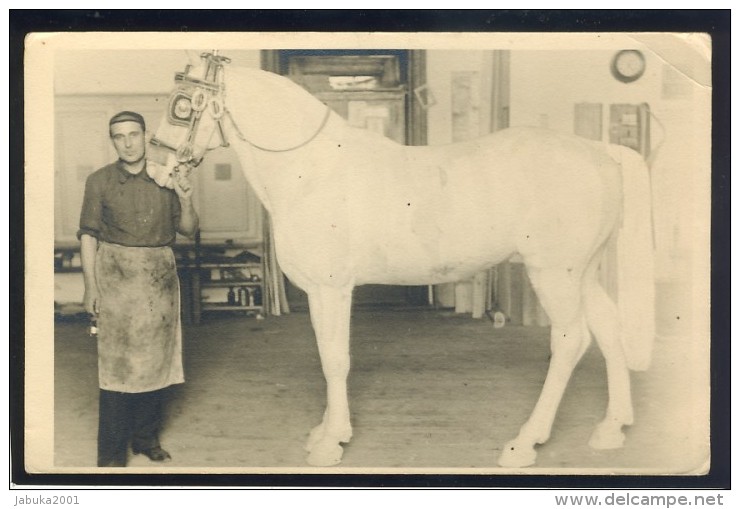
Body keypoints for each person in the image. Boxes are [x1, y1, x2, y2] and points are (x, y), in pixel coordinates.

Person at [78, 111, 199, 467]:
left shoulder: (167, 178)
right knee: (117, 367)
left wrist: (186, 196)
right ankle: (112, 454)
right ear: (112, 141)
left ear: (146, 136)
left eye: (134, 134)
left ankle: (146, 439)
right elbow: (88, 235)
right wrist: (90, 287)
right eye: (119, 136)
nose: (128, 142)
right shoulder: (98, 180)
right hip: (115, 276)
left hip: (159, 277)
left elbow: (189, 229)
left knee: (155, 363)